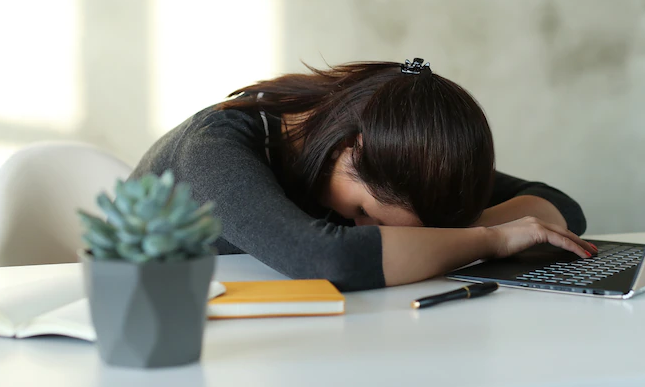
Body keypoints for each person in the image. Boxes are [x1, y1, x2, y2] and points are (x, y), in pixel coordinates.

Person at [131, 59, 596, 291]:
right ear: (347, 146)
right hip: (155, 332)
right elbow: (323, 260)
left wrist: (450, 230)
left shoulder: (394, 158)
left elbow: (558, 205)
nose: (370, 233)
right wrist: (491, 239)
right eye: (364, 213)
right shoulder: (214, 149)